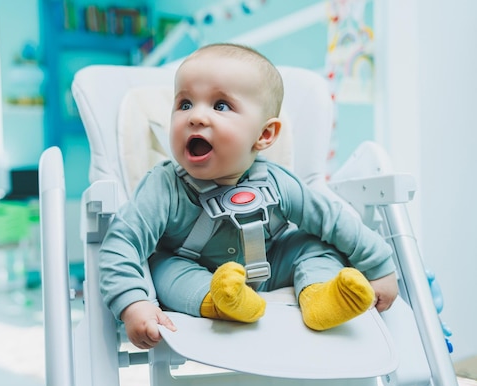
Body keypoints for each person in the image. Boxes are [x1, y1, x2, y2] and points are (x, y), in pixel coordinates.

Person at [99, 43, 399, 350]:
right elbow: (122, 243)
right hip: (194, 269)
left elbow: (333, 220)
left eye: (221, 106)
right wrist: (132, 303)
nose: (196, 117)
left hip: (272, 264)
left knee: (315, 245)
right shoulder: (162, 187)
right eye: (185, 104)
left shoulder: (276, 182)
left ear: (264, 135)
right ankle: (222, 301)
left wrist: (380, 267)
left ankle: (320, 296)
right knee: (163, 269)